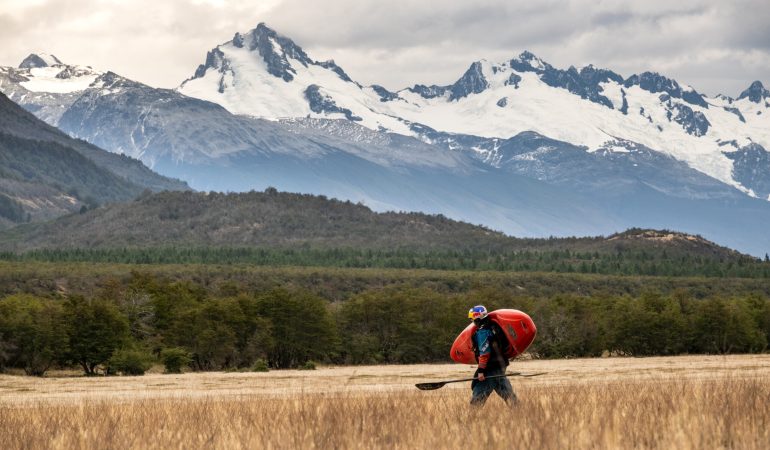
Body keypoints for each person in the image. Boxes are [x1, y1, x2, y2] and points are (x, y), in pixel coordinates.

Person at [468, 305, 517, 406]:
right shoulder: (494, 326)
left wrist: (481, 371)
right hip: (500, 364)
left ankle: (471, 418)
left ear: (477, 318)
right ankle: (521, 411)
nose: (472, 322)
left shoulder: (483, 332)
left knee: (479, 393)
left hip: (490, 368)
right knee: (507, 393)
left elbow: (484, 353)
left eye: (472, 319)